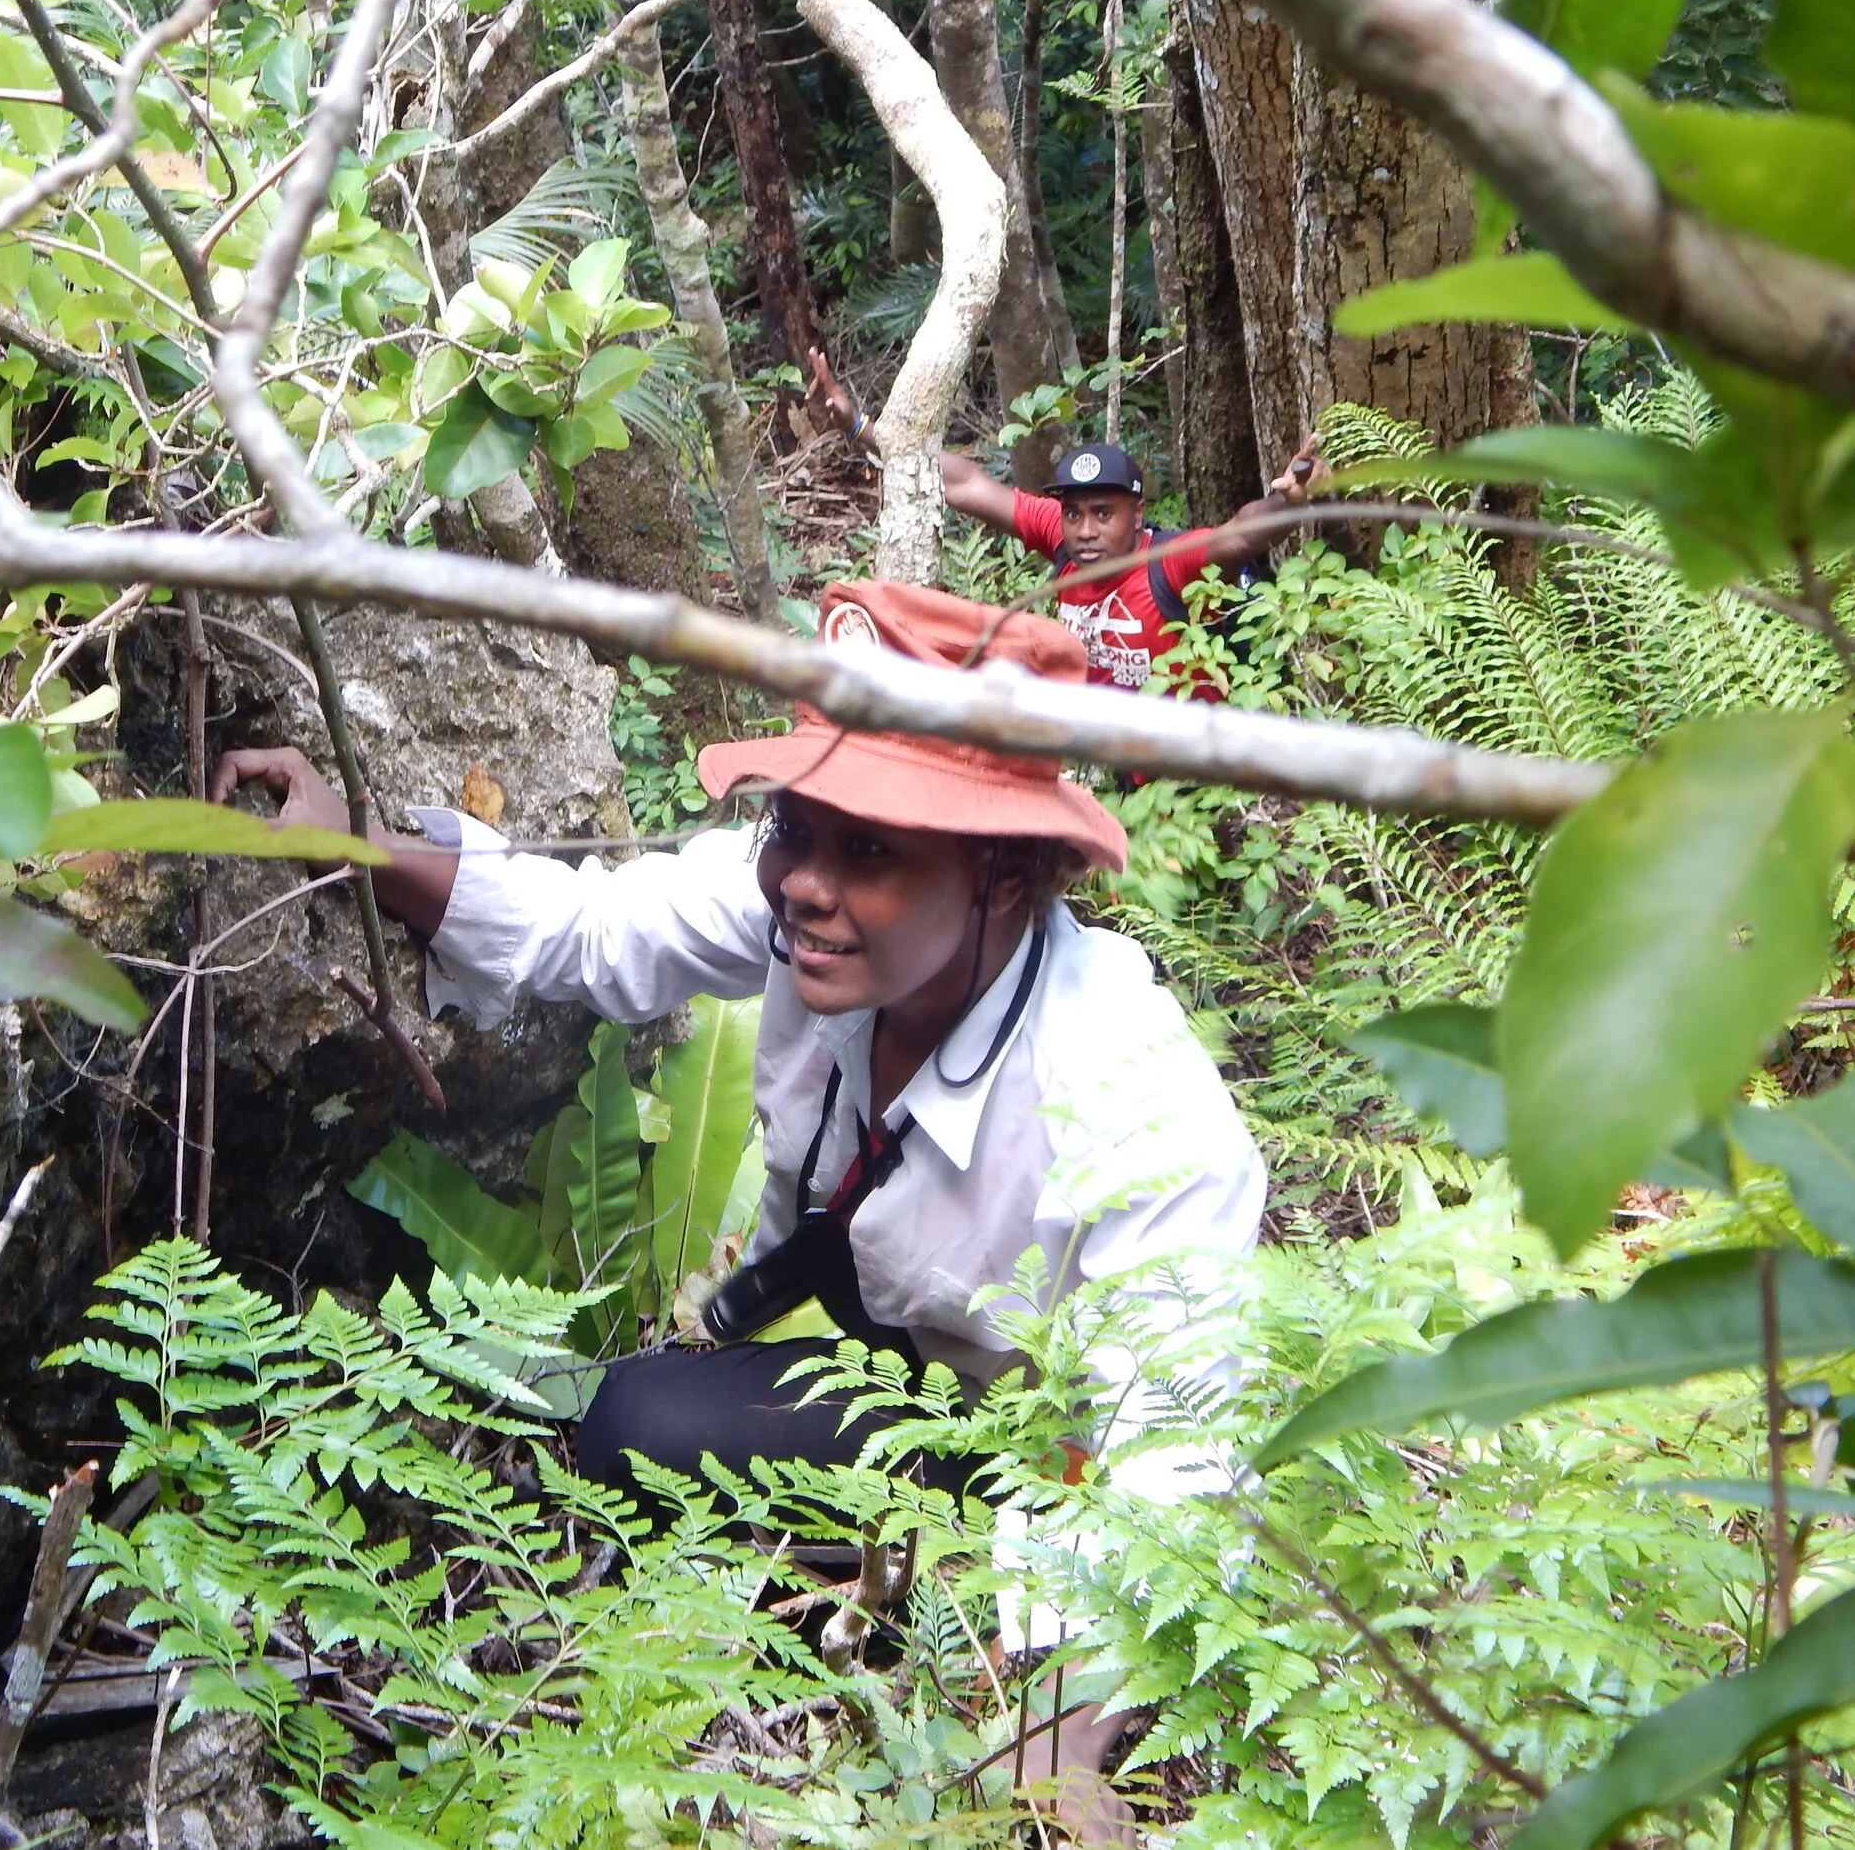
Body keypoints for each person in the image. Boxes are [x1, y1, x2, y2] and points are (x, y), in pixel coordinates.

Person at [215, 579, 1265, 1841]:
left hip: (1047, 1476)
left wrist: (1054, 1726)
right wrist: (353, 842)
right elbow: (587, 929)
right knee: (625, 1425)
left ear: (1005, 875)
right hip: (898, 1384)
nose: (804, 884)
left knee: (666, 1445)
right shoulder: (803, 919)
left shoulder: (1133, 1105)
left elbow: (1178, 1475)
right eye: (793, 827)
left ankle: (911, 1618)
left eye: (869, 849)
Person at [807, 350, 1330, 693]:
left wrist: (1288, 504)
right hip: (1112, 764)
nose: (1084, 530)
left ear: (1137, 515)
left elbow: (1237, 536)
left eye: (1104, 513)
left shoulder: (1168, 563)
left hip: (1191, 774)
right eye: (1073, 513)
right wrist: (862, 429)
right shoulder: (1062, 539)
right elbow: (966, 484)